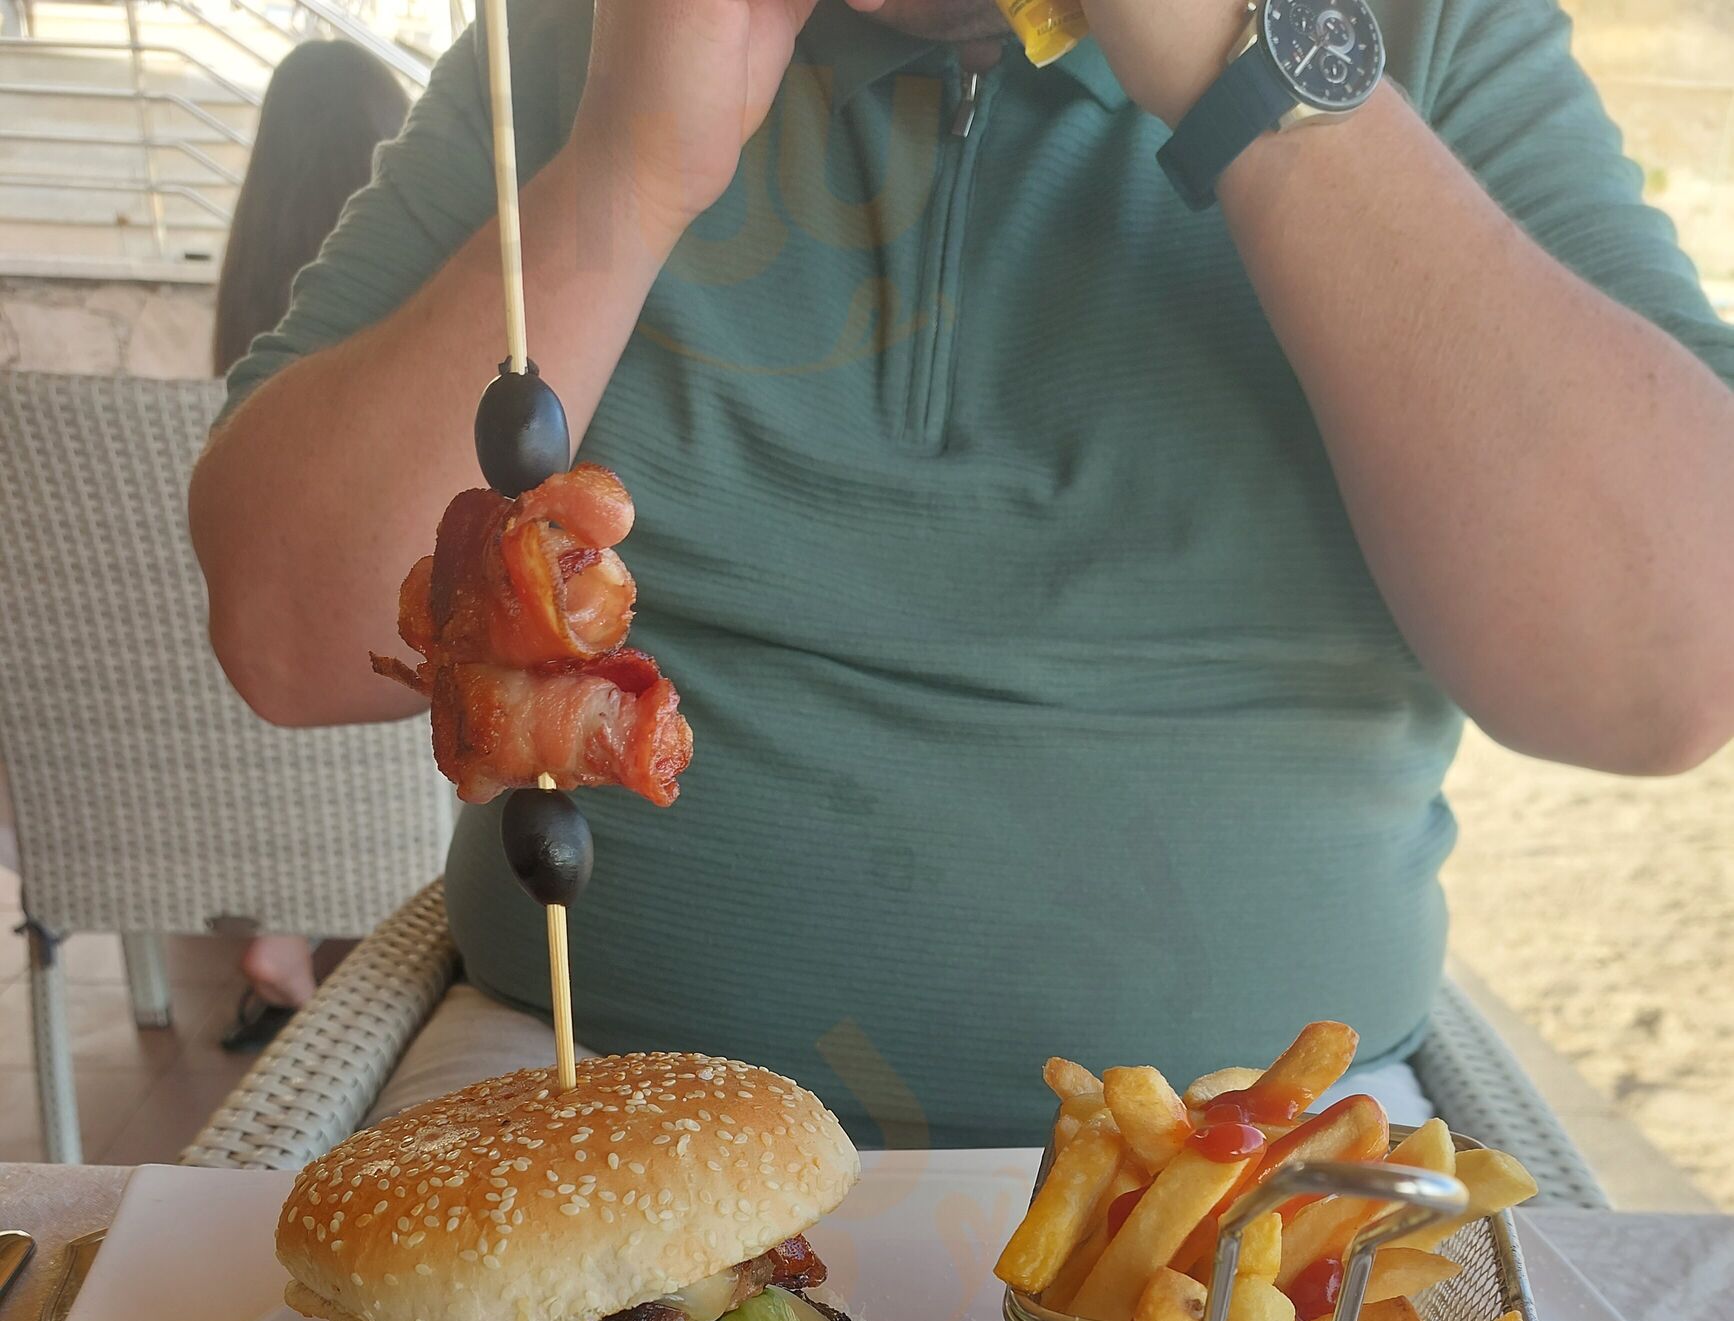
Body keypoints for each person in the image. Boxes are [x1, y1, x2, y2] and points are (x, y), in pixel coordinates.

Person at [189, 0, 1734, 1143]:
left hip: (1260, 1159)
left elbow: (1662, 671)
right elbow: (291, 633)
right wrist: (628, 173)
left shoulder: (1422, 28)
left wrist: (1244, 70)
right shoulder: (577, 38)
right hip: (584, 1092)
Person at [210, 36, 407, 1050]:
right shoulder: (420, 305)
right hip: (376, 769)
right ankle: (307, 913)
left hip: (210, 755)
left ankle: (279, 915)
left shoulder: (244, 333)